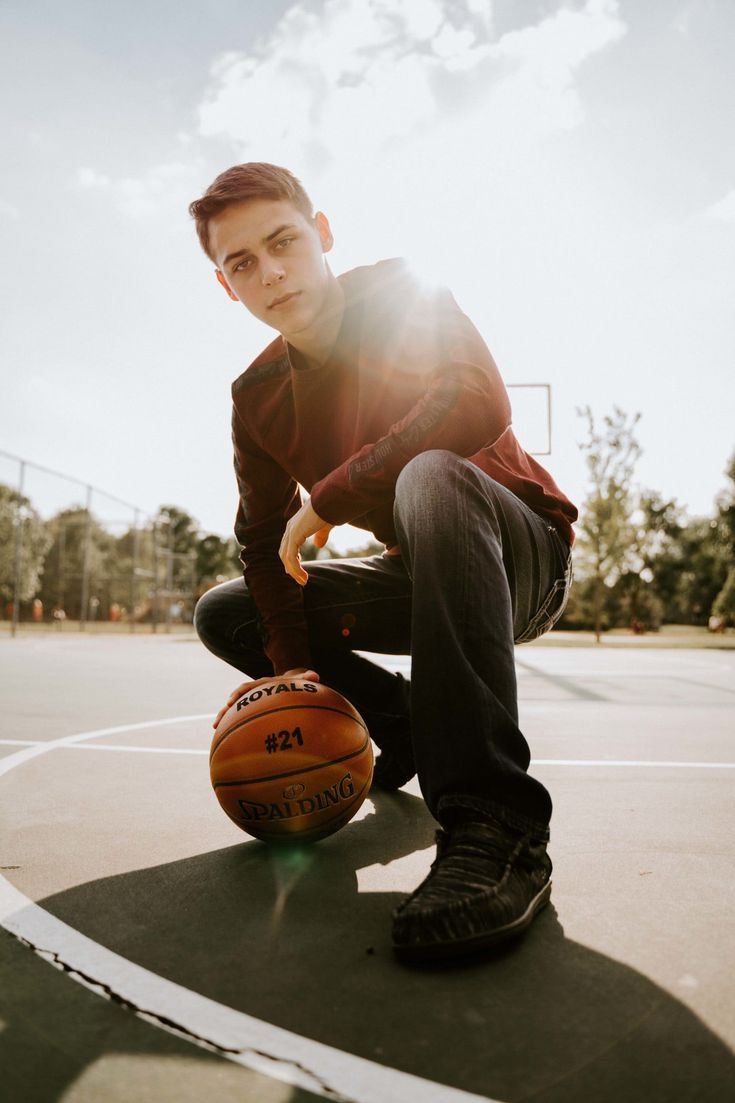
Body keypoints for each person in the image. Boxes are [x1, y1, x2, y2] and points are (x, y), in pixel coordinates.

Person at [189, 163, 577, 962]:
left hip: (521, 552)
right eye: (242, 263)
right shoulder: (256, 396)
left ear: (322, 235)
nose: (270, 271)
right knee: (229, 611)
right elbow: (264, 546)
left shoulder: (403, 292)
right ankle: (393, 726)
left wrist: (330, 494)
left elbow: (476, 400)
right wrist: (295, 671)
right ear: (227, 287)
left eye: (283, 242)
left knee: (429, 474)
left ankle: (495, 826)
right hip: (424, 571)